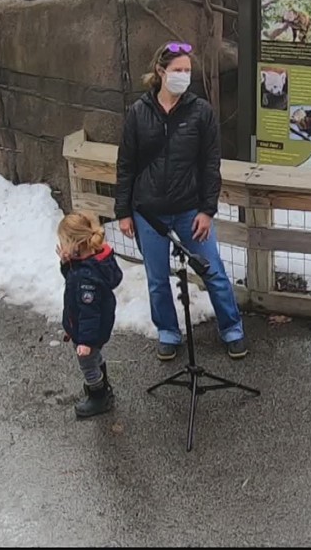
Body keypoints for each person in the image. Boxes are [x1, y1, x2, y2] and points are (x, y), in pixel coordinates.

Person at [113, 41, 247, 361]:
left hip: (190, 209)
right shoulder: (138, 113)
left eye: (187, 71)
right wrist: (123, 211)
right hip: (148, 211)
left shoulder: (201, 112)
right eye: (177, 70)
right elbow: (126, 164)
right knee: (158, 278)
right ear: (161, 72)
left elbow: (210, 164)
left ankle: (232, 328)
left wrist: (207, 209)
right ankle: (168, 332)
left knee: (212, 269)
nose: (184, 76)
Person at [57, 212, 124, 418]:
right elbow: (72, 275)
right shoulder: (92, 261)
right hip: (94, 327)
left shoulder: (87, 278)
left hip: (88, 331)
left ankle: (98, 396)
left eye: (63, 242)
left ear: (75, 243)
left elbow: (89, 312)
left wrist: (84, 341)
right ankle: (103, 385)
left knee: (87, 363)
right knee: (95, 357)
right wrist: (66, 262)